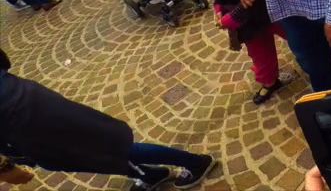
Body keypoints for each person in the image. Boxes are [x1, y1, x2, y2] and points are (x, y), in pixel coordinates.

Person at [0, 48, 217, 191]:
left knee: (110, 149)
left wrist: (8, 167)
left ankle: (195, 162)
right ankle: (151, 174)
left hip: (22, 121)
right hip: (27, 98)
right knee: (97, 152)